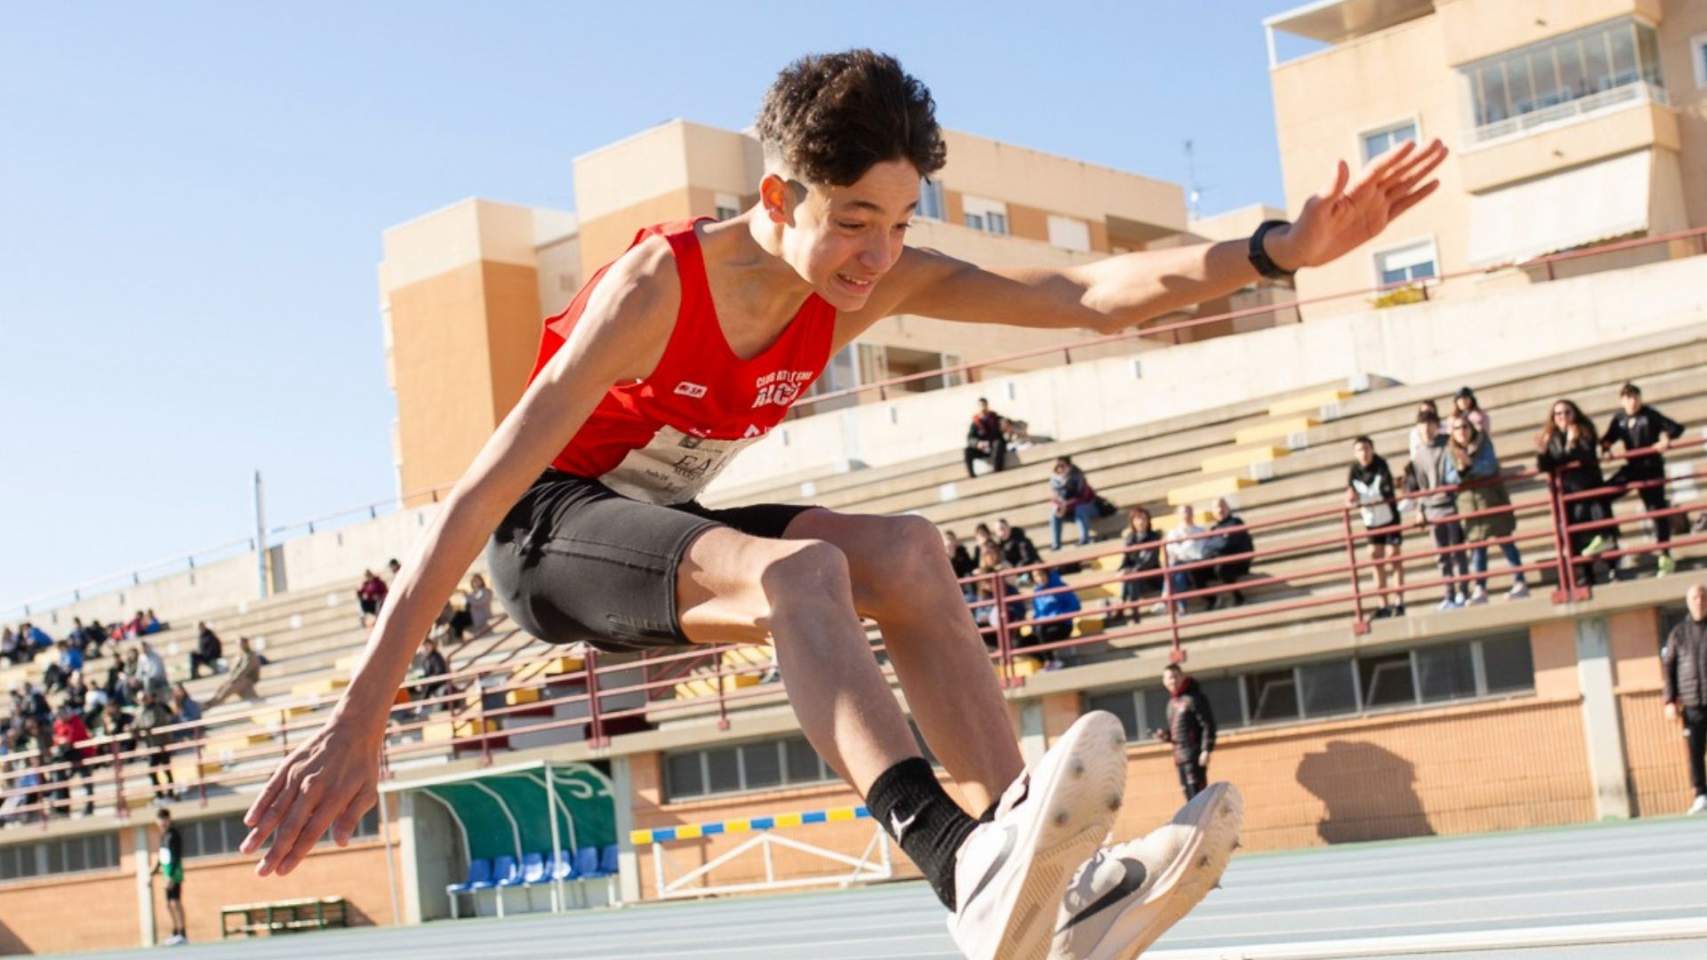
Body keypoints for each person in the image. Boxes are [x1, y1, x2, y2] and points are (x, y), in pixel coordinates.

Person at [241, 50, 1443, 957]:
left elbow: (1087, 290)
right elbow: (480, 486)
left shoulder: (860, 285)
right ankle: (958, 862)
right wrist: (364, 713)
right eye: (853, 222)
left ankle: (1041, 885)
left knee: (911, 553)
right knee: (800, 577)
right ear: (781, 192)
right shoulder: (659, 287)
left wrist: (1276, 250)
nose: (877, 255)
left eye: (900, 222)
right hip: (548, 536)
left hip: (659, 534)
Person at [1601, 382, 1686, 578]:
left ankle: (1665, 554)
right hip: (1632, 468)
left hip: (1651, 469)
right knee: (1603, 495)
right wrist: (1606, 450)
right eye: (1628, 398)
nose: (1632, 402)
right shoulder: (1619, 418)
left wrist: (1664, 439)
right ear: (1621, 400)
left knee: (1656, 510)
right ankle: (1610, 538)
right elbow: (1607, 439)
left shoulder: (1650, 414)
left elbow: (1676, 428)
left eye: (1635, 397)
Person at [1445, 414, 1529, 602]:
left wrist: (1470, 465)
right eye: (1457, 428)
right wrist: (1462, 470)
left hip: (1492, 500)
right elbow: (1449, 477)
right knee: (1478, 550)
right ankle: (1480, 588)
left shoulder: (1483, 443)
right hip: (1469, 506)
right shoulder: (1450, 451)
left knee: (1506, 542)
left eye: (1465, 427)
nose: (1462, 432)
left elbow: (1490, 466)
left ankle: (1520, 581)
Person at [1537, 398, 1613, 588]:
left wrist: (1571, 445)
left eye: (1567, 412)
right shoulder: (1552, 437)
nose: (1563, 417)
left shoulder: (1585, 430)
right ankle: (1586, 576)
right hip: (1568, 494)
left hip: (1589, 490)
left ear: (1574, 413)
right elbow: (1546, 465)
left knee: (1600, 535)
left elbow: (1586, 455)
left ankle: (1613, 570)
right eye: (1558, 414)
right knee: (1577, 539)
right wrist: (1542, 451)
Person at [1408, 410, 1469, 611]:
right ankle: (1449, 594)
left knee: (1457, 551)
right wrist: (1420, 509)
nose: (1426, 429)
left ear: (1436, 426)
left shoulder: (1448, 445)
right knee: (1442, 555)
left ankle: (1464, 591)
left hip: (1451, 504)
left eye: (1430, 424)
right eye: (1422, 425)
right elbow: (1422, 486)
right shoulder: (1418, 455)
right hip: (1433, 509)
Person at [1347, 436, 1406, 619]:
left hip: (1389, 517)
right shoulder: (1354, 471)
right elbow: (1350, 494)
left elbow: (1384, 491)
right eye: (1359, 450)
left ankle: (1399, 601)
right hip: (1371, 522)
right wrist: (1351, 499)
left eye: (1366, 449)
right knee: (1375, 558)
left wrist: (1361, 499)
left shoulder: (1381, 466)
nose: (1363, 453)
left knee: (1393, 557)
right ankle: (1383, 604)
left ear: (1372, 449)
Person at [1663, 583, 1707, 816]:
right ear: (1688, 602)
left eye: (1702, 597)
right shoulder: (1678, 633)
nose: (1698, 601)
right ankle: (1701, 794)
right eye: (1694, 598)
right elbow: (1669, 668)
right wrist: (1670, 700)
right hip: (1692, 705)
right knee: (1695, 752)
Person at [1154, 664, 1217, 802]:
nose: (1173, 681)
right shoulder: (1171, 703)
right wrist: (1166, 736)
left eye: (1175, 677)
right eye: (1169, 678)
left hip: (1194, 757)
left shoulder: (1195, 698)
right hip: (1180, 758)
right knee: (1189, 800)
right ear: (1164, 682)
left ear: (1182, 676)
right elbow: (1178, 731)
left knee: (1199, 798)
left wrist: (1206, 749)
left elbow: (1207, 724)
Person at [1111, 507, 1162, 626]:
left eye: (1144, 518)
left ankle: (1124, 608)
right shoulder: (1130, 538)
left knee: (1131, 577)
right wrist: (1121, 570)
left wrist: (1133, 571)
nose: (1141, 522)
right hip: (1135, 579)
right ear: (1133, 521)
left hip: (1151, 577)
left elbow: (1150, 560)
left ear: (1149, 521)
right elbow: (1126, 559)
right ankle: (1132, 611)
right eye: (1138, 519)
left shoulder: (1154, 536)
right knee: (1128, 577)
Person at [1021, 566, 1080, 668]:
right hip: (1042, 627)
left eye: (1041, 574)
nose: (1040, 578)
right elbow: (1038, 613)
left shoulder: (1060, 587)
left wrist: (1057, 615)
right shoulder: (1037, 592)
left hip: (1062, 625)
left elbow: (1075, 606)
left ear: (1047, 574)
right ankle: (1046, 660)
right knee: (1020, 643)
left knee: (1041, 631)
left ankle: (1050, 660)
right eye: (1036, 576)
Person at [1200, 498, 1254, 609]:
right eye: (1216, 507)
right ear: (1213, 512)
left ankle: (1238, 598)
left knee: (1222, 564)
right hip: (1219, 563)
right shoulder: (1213, 529)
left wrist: (1214, 546)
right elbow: (1204, 550)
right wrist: (1218, 543)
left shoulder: (1236, 522)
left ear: (1228, 508)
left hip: (1239, 562)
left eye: (1222, 506)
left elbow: (1227, 544)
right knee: (1195, 570)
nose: (1219, 510)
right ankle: (1212, 599)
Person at [1163, 504, 1208, 616]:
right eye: (1183, 512)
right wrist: (1190, 543)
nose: (1186, 514)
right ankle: (1181, 607)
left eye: (1189, 511)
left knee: (1176, 567)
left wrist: (1185, 544)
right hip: (1181, 567)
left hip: (1196, 565)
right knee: (1178, 571)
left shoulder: (1200, 530)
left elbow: (1200, 551)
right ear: (1178, 515)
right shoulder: (1173, 533)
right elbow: (1172, 551)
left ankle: (1165, 597)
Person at [133, 688, 176, 802]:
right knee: (152, 772)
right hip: (151, 746)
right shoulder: (139, 711)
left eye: (145, 698)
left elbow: (152, 723)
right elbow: (135, 724)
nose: (143, 700)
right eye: (141, 699)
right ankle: (159, 795)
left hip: (162, 744)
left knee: (166, 769)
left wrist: (138, 728)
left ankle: (171, 793)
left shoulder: (158, 709)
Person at [152, 807, 188, 945]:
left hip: (174, 873)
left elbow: (176, 857)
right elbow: (162, 856)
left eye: (165, 819)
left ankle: (182, 933)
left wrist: (171, 876)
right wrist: (154, 871)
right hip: (166, 873)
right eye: (160, 819)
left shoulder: (174, 835)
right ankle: (175, 931)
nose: (163, 822)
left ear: (169, 820)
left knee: (175, 902)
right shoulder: (163, 835)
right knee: (168, 904)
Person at [1048, 456, 1099, 551]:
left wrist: (1066, 505)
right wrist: (1058, 507)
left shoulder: (1079, 477)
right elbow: (1055, 499)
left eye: (1062, 466)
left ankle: (1084, 539)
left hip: (1089, 507)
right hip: (1067, 510)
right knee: (1054, 514)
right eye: (1057, 467)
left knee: (1080, 509)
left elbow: (1084, 498)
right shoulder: (1054, 481)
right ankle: (1056, 544)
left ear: (1069, 466)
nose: (1060, 469)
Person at [206, 637, 263, 708]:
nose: (240, 646)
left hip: (245, 680)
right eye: (239, 644)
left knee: (229, 688)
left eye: (242, 644)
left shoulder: (250, 656)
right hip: (240, 681)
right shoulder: (239, 656)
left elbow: (244, 671)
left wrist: (232, 680)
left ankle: (212, 703)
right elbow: (233, 670)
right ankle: (212, 702)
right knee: (252, 699)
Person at [963, 397, 1008, 478]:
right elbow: (970, 438)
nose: (982, 408)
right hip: (982, 448)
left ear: (987, 406)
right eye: (980, 406)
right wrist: (977, 443)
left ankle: (998, 471)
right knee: (967, 451)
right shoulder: (975, 423)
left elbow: (1006, 426)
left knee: (998, 444)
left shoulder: (995, 418)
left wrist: (1005, 426)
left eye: (984, 405)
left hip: (994, 446)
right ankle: (971, 476)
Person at [446, 574, 495, 641]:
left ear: (481, 581)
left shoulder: (486, 592)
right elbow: (465, 604)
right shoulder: (472, 593)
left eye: (477, 580)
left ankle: (458, 637)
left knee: (458, 617)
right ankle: (457, 636)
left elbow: (477, 603)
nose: (476, 582)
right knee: (456, 618)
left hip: (479, 616)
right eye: (474, 581)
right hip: (471, 615)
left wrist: (466, 595)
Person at [408, 637, 450, 714]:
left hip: (439, 681)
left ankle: (421, 706)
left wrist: (429, 678)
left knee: (427, 685)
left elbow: (440, 670)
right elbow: (424, 672)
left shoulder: (436, 656)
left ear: (431, 646)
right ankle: (415, 707)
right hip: (430, 680)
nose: (425, 648)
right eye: (423, 646)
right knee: (413, 688)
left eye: (427, 645)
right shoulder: (424, 658)